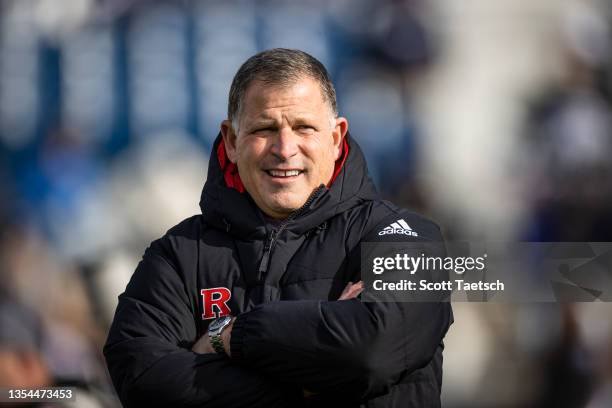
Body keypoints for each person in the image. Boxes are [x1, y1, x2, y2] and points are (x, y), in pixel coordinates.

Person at [104, 48, 453, 407]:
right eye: (264, 129)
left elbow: (374, 352)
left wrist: (230, 336)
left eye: (304, 127)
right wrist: (314, 381)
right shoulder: (178, 255)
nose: (285, 149)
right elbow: (144, 381)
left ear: (335, 138)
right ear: (231, 141)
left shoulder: (411, 237)